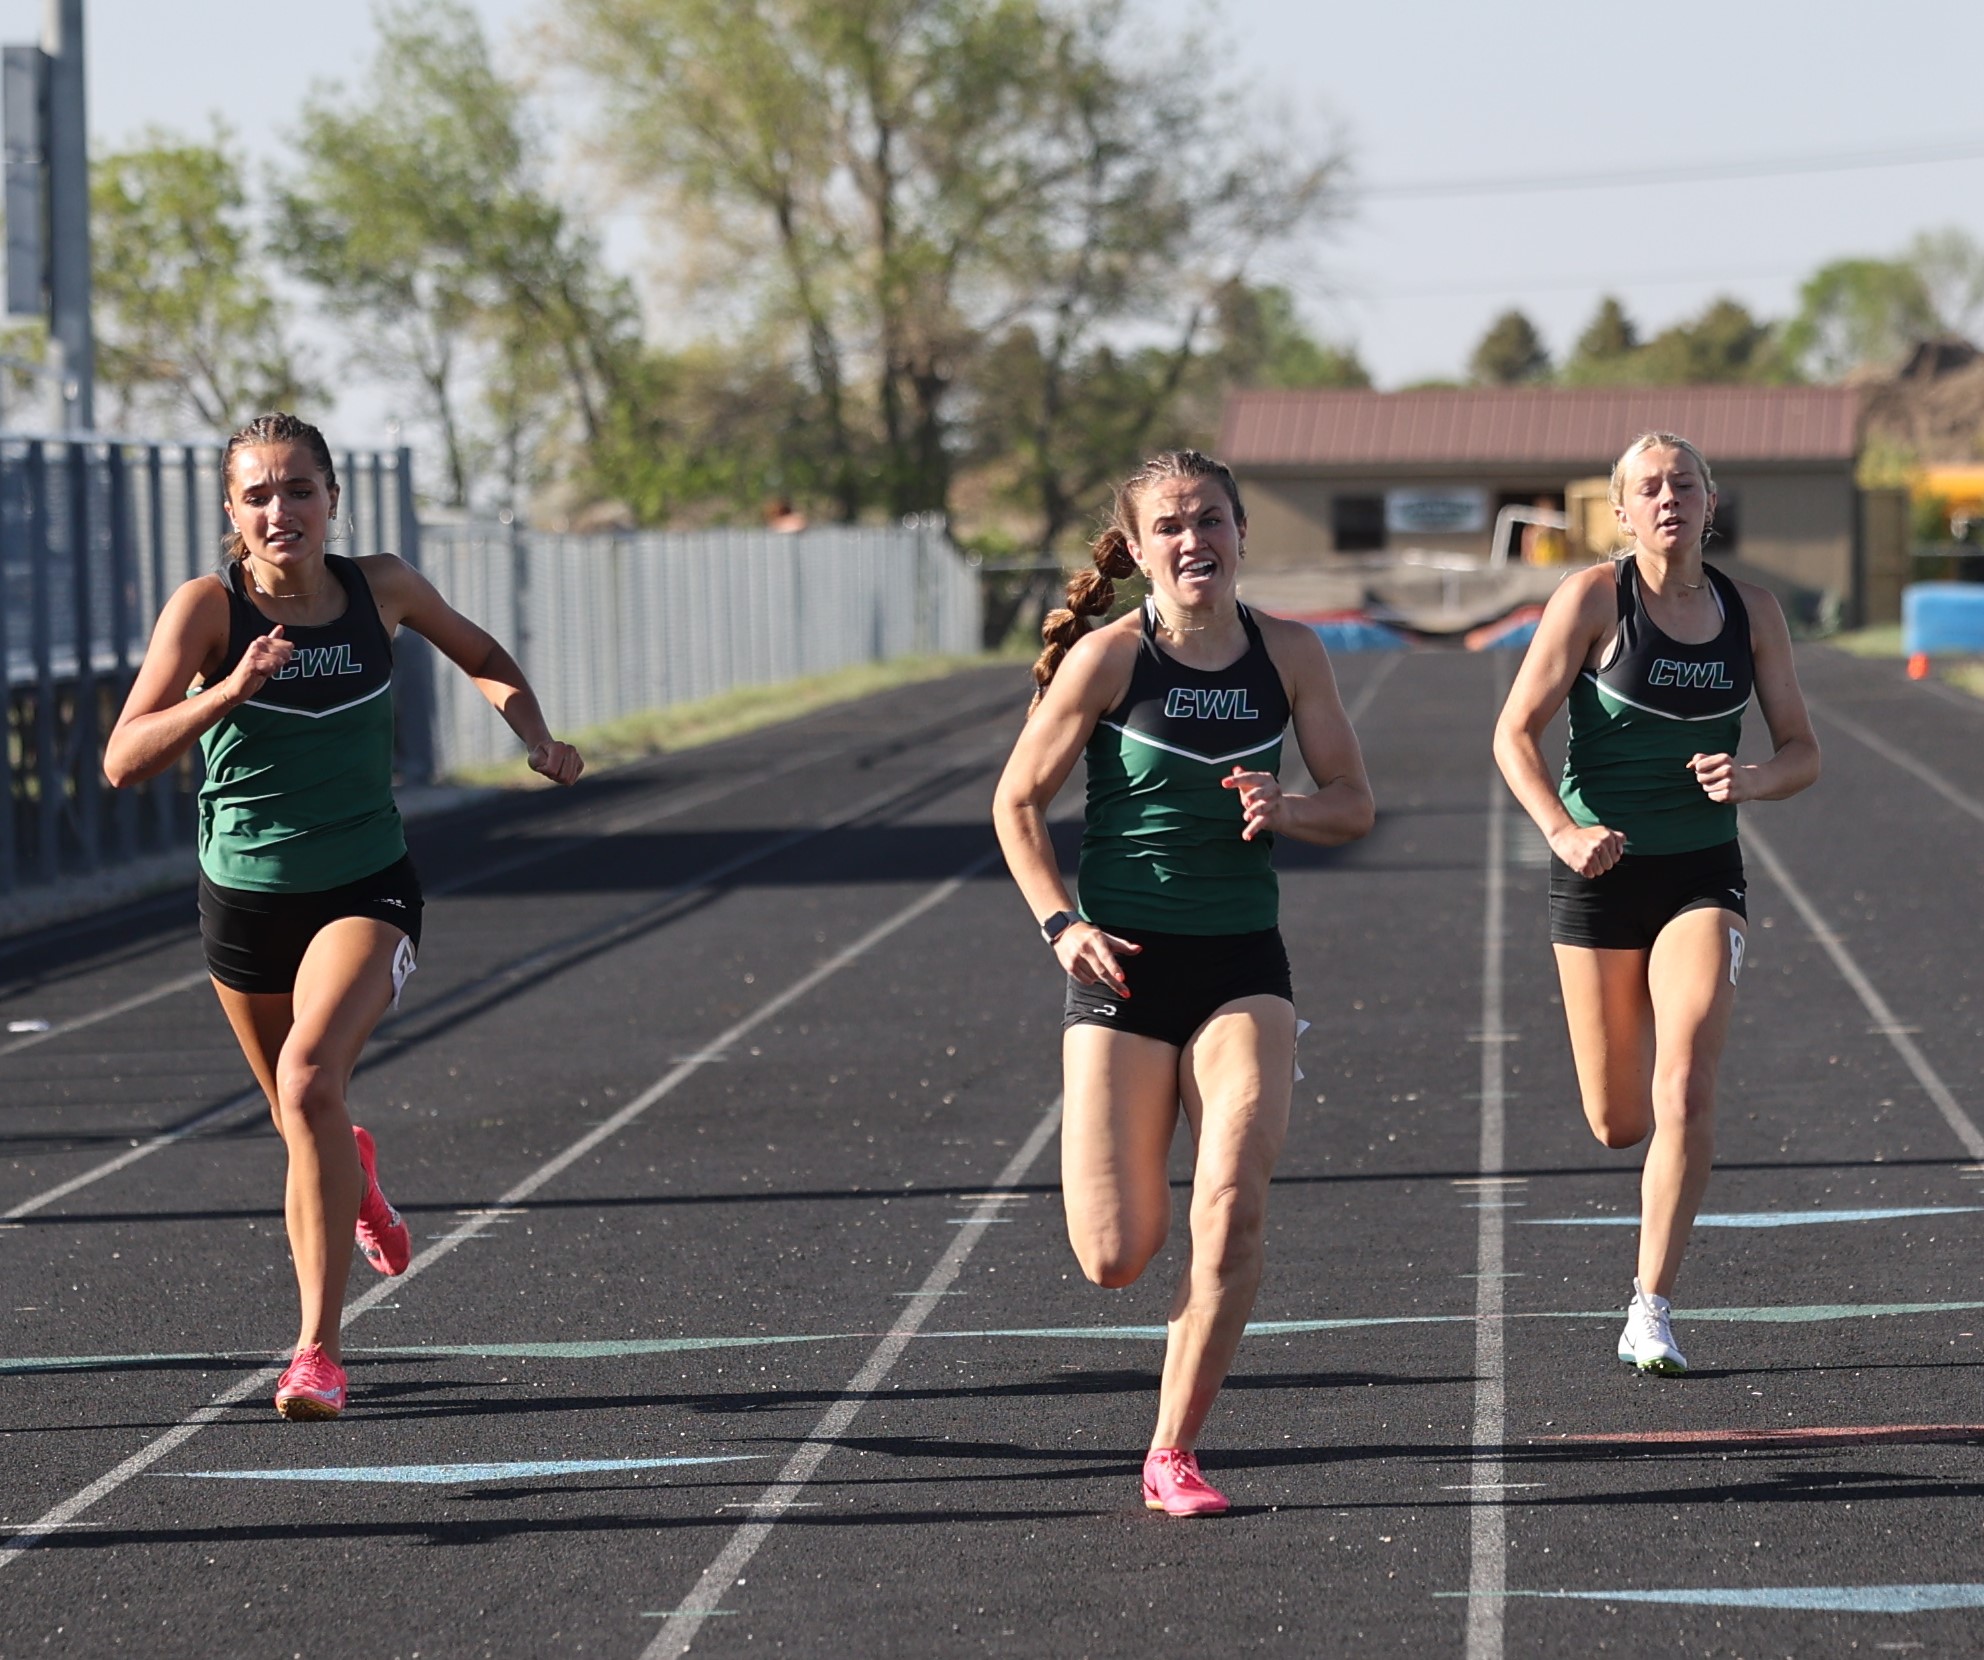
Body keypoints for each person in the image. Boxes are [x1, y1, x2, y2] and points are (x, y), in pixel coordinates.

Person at [105, 412, 583, 1420]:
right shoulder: (207, 608)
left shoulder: (384, 587)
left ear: (331, 498)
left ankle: (316, 1351)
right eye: (259, 494)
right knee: (300, 1118)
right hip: (242, 895)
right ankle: (353, 1171)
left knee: (310, 1076)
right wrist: (229, 688)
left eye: (300, 489)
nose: (282, 510)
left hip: (365, 881)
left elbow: (481, 648)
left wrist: (535, 734)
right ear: (232, 512)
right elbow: (123, 755)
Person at [992, 449, 1374, 1515]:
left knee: (1231, 1195)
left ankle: (1173, 1448)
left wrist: (1288, 809)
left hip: (1240, 962)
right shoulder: (1112, 661)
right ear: (1142, 546)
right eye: (1168, 525)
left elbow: (1353, 802)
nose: (1192, 539)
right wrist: (1058, 921)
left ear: (1242, 533)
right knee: (1115, 1255)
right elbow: (1016, 802)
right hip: (1122, 967)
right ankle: (1147, 1255)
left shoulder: (1289, 653)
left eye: (1209, 519)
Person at [1492, 432, 1819, 1374]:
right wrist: (1561, 830)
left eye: (1685, 482)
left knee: (1686, 1081)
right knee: (1619, 1120)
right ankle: (1648, 1266)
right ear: (1622, 512)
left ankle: (1651, 1306)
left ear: (1711, 503)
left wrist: (1751, 780)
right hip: (1597, 872)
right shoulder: (1594, 598)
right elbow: (1515, 732)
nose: (1668, 497)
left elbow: (1804, 749)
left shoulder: (1751, 612)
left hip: (1699, 873)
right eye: (1649, 487)